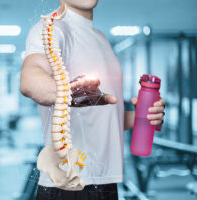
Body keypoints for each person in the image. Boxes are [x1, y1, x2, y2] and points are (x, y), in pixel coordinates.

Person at [20, 0, 166, 199]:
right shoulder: (51, 29)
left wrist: (142, 116)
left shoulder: (101, 39)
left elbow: (103, 116)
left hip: (106, 183)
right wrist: (69, 93)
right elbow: (30, 80)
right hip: (68, 186)